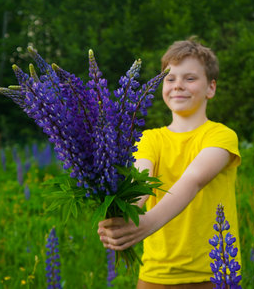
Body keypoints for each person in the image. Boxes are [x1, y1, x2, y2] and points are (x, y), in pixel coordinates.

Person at [98, 37, 241, 289]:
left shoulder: (221, 136)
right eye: (170, 78)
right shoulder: (148, 138)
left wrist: (145, 226)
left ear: (211, 88)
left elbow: (193, 180)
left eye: (190, 78)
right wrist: (121, 220)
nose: (178, 85)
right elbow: (139, 183)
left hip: (215, 273)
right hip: (155, 276)